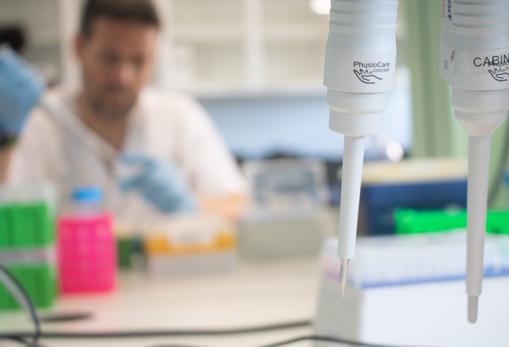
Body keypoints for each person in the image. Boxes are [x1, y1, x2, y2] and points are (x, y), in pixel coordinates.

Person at [0, 0, 247, 225]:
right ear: (78, 47)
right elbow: (7, 223)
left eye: (139, 61)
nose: (123, 77)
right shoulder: (40, 122)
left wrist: (191, 205)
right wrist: (5, 137)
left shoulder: (180, 116)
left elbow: (239, 206)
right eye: (110, 58)